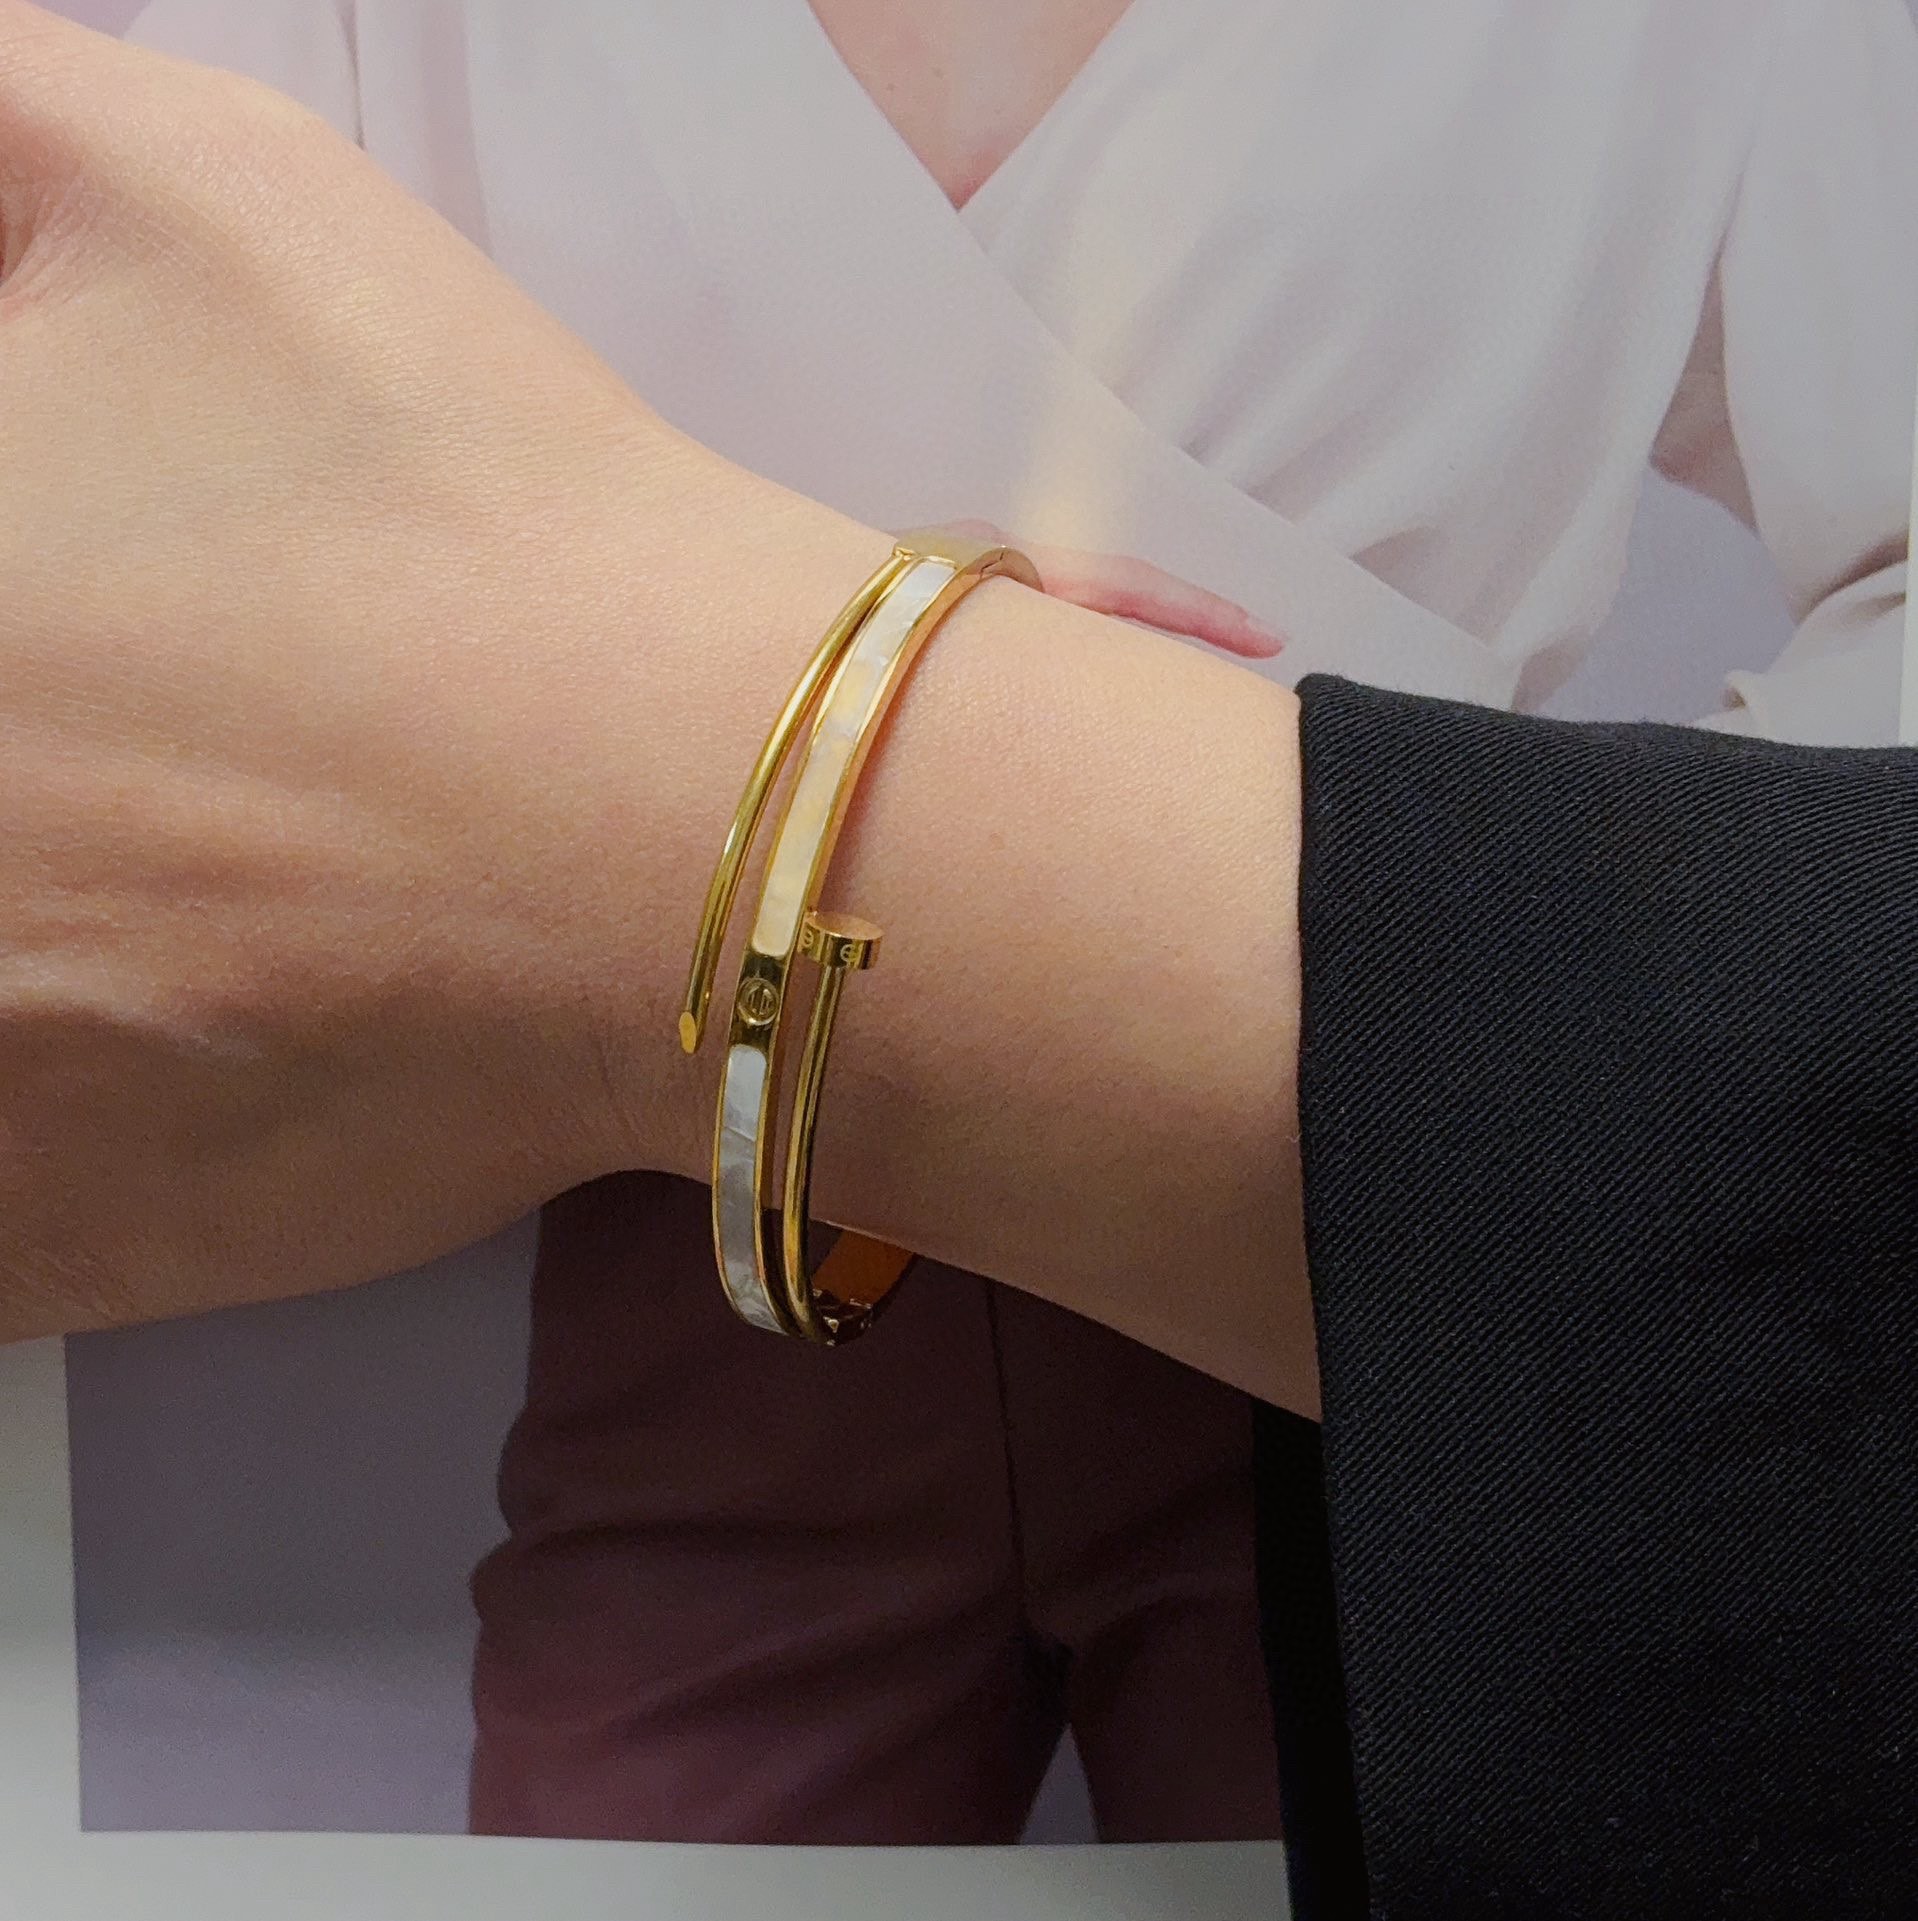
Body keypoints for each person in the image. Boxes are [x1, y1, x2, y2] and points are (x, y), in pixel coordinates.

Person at [0, 10, 1914, 1915]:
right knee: (639, 1831)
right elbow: (146, 483)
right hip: (699, 1226)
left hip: (1339, 1244)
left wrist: (1548, 933)